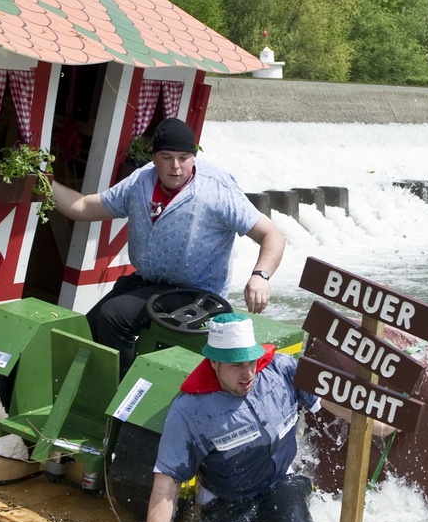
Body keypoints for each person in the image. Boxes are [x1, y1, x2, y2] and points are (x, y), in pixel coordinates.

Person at [51, 117, 285, 373]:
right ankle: (89, 397)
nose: (176, 166)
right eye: (166, 157)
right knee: (86, 327)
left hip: (198, 293)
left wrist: (261, 276)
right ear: (153, 157)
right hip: (149, 284)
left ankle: (123, 404)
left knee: (115, 315)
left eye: (184, 157)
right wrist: (44, 184)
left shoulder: (217, 189)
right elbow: (83, 207)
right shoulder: (140, 181)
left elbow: (272, 235)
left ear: (194, 157)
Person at [139, 313, 321, 522]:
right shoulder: (189, 410)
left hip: (280, 481)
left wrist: (379, 425)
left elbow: (329, 401)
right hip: (226, 500)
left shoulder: (281, 370)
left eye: (251, 362)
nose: (248, 374)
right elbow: (166, 484)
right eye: (236, 366)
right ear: (214, 363)